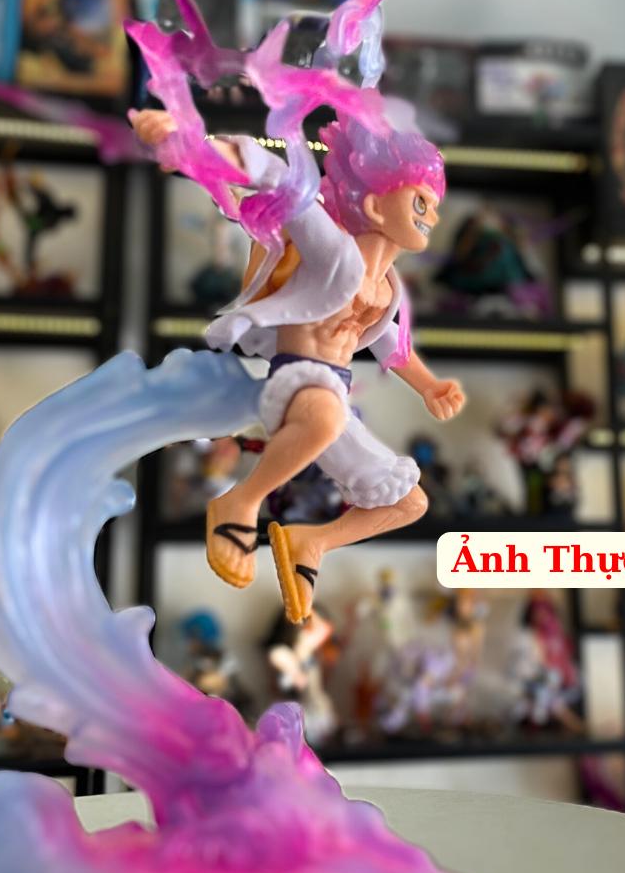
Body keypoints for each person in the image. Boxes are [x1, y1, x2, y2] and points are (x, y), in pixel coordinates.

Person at [131, 109, 465, 622]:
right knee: (325, 416)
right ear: (376, 205)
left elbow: (388, 342)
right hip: (296, 380)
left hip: (334, 398)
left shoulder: (388, 289)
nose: (432, 217)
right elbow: (278, 179)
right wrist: (190, 143)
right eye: (421, 201)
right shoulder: (332, 251)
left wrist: (428, 385)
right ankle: (241, 502)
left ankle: (313, 543)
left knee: (408, 503)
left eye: (434, 206)